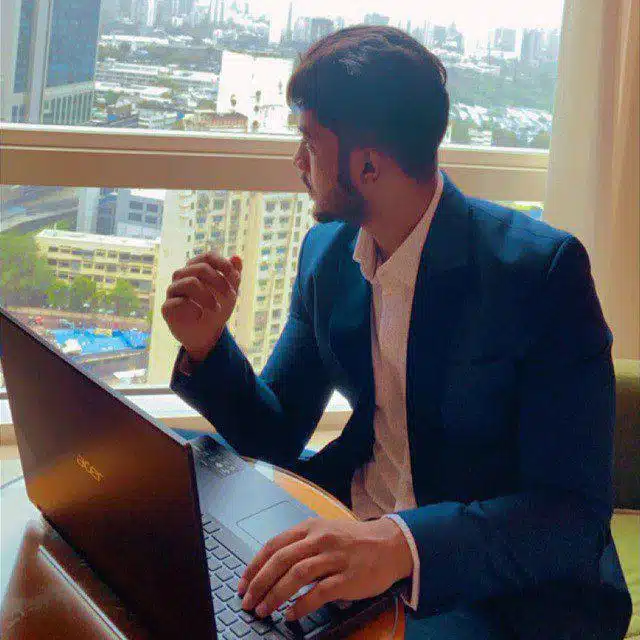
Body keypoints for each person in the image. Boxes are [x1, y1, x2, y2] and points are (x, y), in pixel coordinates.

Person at [163, 26, 632, 639]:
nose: (297, 163)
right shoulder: (328, 255)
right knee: (173, 499)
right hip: (347, 525)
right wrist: (207, 345)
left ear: (367, 164)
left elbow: (572, 516)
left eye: (309, 142)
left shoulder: (538, 273)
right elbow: (276, 435)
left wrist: (398, 545)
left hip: (497, 590)